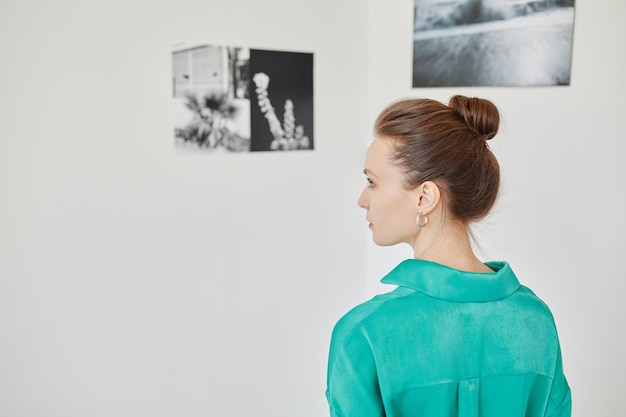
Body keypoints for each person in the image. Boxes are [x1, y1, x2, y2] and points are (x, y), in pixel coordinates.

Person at [325, 96, 571, 417]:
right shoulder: (536, 320)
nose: (362, 199)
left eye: (372, 182)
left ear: (425, 197)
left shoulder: (362, 336)